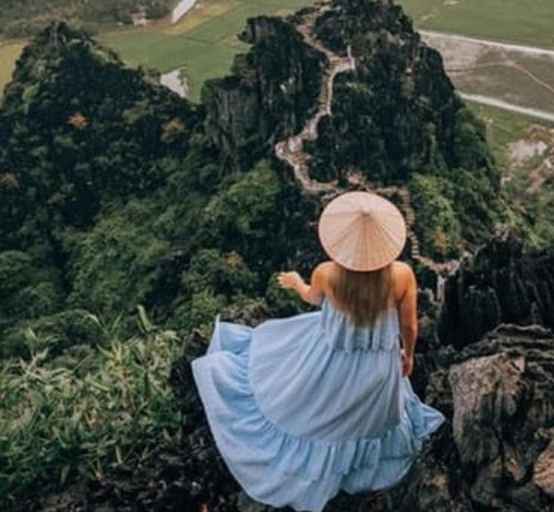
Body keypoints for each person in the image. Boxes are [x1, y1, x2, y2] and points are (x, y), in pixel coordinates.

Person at [191, 191, 445, 512]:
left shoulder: (328, 273)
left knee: (297, 394)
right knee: (377, 417)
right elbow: (409, 327)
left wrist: (296, 282)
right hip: (378, 365)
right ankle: (354, 465)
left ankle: (320, 466)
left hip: (329, 355)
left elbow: (313, 298)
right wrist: (407, 355)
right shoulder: (402, 276)